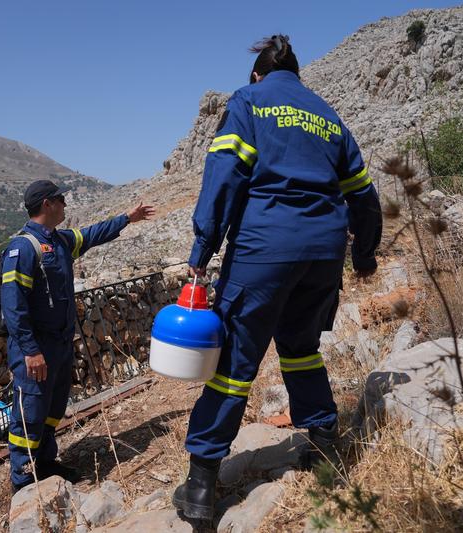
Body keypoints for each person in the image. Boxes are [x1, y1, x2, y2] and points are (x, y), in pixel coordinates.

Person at [172, 35, 382, 520]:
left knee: (234, 361)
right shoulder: (328, 115)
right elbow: (363, 195)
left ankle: (202, 485)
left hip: (265, 248)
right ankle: (324, 441)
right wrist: (365, 256)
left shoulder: (248, 102)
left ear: (256, 75)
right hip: (324, 254)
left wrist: (202, 247)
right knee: (301, 346)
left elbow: (224, 175)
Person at [1, 179, 155, 493]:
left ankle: (45, 464)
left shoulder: (60, 241)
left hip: (59, 346)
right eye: (60, 200)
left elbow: (95, 233)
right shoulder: (23, 248)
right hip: (35, 349)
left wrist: (127, 218)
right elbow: (13, 306)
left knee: (52, 410)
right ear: (47, 204)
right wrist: (30, 351)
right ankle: (22, 482)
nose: (65, 205)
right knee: (28, 416)